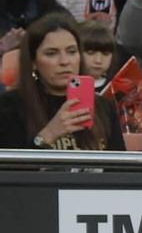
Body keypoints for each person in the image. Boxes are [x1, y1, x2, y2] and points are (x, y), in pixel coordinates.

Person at [0, 13, 125, 150]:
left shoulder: (104, 106)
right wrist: (50, 134)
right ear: (33, 62)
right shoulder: (10, 106)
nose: (65, 62)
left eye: (71, 52)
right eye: (51, 53)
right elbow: (11, 168)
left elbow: (118, 168)